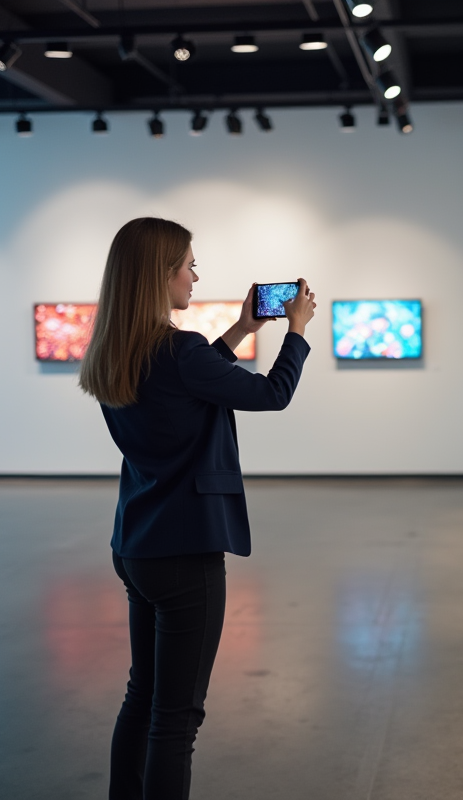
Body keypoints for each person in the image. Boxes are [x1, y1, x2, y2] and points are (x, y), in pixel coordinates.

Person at [78, 217, 316, 799]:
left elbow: (189, 382)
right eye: (188, 264)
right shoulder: (180, 351)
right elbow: (271, 394)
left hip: (137, 546)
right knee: (176, 717)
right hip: (186, 555)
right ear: (160, 274)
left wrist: (238, 330)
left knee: (144, 696)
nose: (196, 274)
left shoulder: (117, 350)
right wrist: (298, 332)